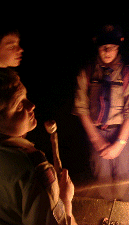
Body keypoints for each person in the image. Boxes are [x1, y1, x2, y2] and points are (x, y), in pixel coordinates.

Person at [0, 68, 77, 224]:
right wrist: (65, 199)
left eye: (26, 97)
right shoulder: (36, 170)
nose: (32, 105)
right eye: (19, 106)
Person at [73, 25, 129, 201]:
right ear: (97, 47)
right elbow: (81, 108)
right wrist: (97, 140)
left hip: (121, 134)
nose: (107, 50)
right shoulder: (87, 73)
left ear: (118, 47)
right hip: (97, 134)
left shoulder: (128, 74)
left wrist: (119, 143)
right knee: (102, 183)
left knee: (125, 182)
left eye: (112, 46)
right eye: (103, 46)